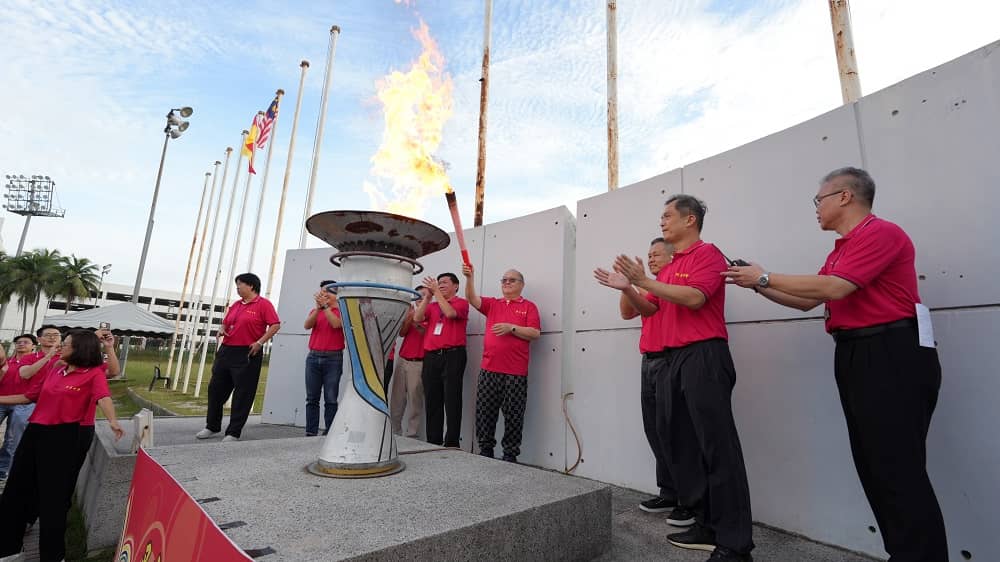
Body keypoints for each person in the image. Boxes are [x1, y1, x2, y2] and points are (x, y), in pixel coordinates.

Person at [723, 167, 947, 562]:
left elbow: (835, 287)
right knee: (876, 467)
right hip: (858, 354)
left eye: (818, 200)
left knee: (898, 468)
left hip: (891, 352)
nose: (816, 209)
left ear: (844, 196)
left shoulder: (880, 233)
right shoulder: (841, 249)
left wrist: (765, 276)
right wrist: (757, 284)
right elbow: (810, 300)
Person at [596, 195, 753, 561]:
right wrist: (629, 287)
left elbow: (696, 298)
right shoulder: (669, 268)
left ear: (690, 220)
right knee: (685, 446)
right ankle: (706, 523)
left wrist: (645, 280)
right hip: (673, 360)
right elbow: (651, 309)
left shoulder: (707, 254)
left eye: (668, 215)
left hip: (704, 356)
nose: (662, 221)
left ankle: (735, 544)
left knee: (718, 449)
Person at [0, 329, 124, 562]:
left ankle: (53, 556)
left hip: (64, 436)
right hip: (35, 432)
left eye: (64, 344)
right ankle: (9, 550)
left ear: (79, 349)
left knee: (53, 499)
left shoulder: (92, 373)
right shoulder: (56, 369)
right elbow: (29, 395)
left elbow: (103, 396)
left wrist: (113, 421)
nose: (59, 346)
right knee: (14, 491)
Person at [605, 237, 686, 518]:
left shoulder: (672, 283)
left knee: (673, 431)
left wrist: (633, 285)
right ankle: (669, 492)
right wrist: (625, 285)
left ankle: (687, 499)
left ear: (672, 257)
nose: (650, 259)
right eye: (648, 255)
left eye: (656, 255)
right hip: (648, 362)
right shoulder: (649, 287)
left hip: (669, 360)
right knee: (655, 429)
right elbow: (627, 312)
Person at [462, 264, 541, 463]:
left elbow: (535, 333)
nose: (506, 282)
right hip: (489, 370)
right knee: (485, 413)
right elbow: (472, 299)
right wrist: (470, 278)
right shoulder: (493, 304)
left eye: (511, 280)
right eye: (504, 280)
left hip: (515, 372)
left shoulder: (528, 307)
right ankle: (486, 451)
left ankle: (510, 455)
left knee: (514, 415)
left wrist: (511, 328)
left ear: (521, 284)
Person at [197, 273, 280, 442]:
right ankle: (212, 426)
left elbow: (275, 325)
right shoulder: (236, 305)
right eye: (237, 284)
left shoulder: (263, 304)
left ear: (251, 286)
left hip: (248, 352)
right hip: (227, 351)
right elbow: (226, 322)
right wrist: (221, 329)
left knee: (242, 393)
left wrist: (260, 342)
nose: (237, 287)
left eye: (240, 284)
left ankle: (233, 432)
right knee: (215, 389)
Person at [414, 273, 469, 448]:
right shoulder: (433, 305)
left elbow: (450, 313)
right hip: (431, 357)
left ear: (456, 286)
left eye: (445, 282)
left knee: (452, 399)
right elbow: (417, 318)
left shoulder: (461, 303)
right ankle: (433, 441)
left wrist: (436, 292)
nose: (441, 285)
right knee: (432, 399)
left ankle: (452, 442)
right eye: (439, 283)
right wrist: (428, 297)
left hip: (453, 355)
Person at [303, 281, 344, 437]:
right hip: (313, 357)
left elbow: (336, 325)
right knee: (312, 398)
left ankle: (330, 432)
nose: (323, 295)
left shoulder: (341, 311)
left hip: (333, 359)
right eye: (321, 292)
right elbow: (307, 325)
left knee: (331, 398)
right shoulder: (315, 310)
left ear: (335, 294)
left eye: (327, 292)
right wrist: (318, 309)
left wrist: (325, 308)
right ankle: (311, 432)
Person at [0, 334, 43, 483]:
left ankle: (4, 471)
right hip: (2, 400)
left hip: (23, 403)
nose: (21, 344)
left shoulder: (36, 363)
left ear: (33, 346)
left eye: (26, 342)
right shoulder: (7, 362)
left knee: (11, 439)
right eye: (18, 342)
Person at [389, 286, 430, 438]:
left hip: (418, 362)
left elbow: (426, 333)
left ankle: (412, 435)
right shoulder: (411, 313)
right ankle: (394, 433)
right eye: (418, 295)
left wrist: (416, 318)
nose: (420, 297)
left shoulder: (431, 312)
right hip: (403, 359)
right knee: (396, 399)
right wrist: (409, 317)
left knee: (415, 401)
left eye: (424, 295)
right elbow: (402, 333)